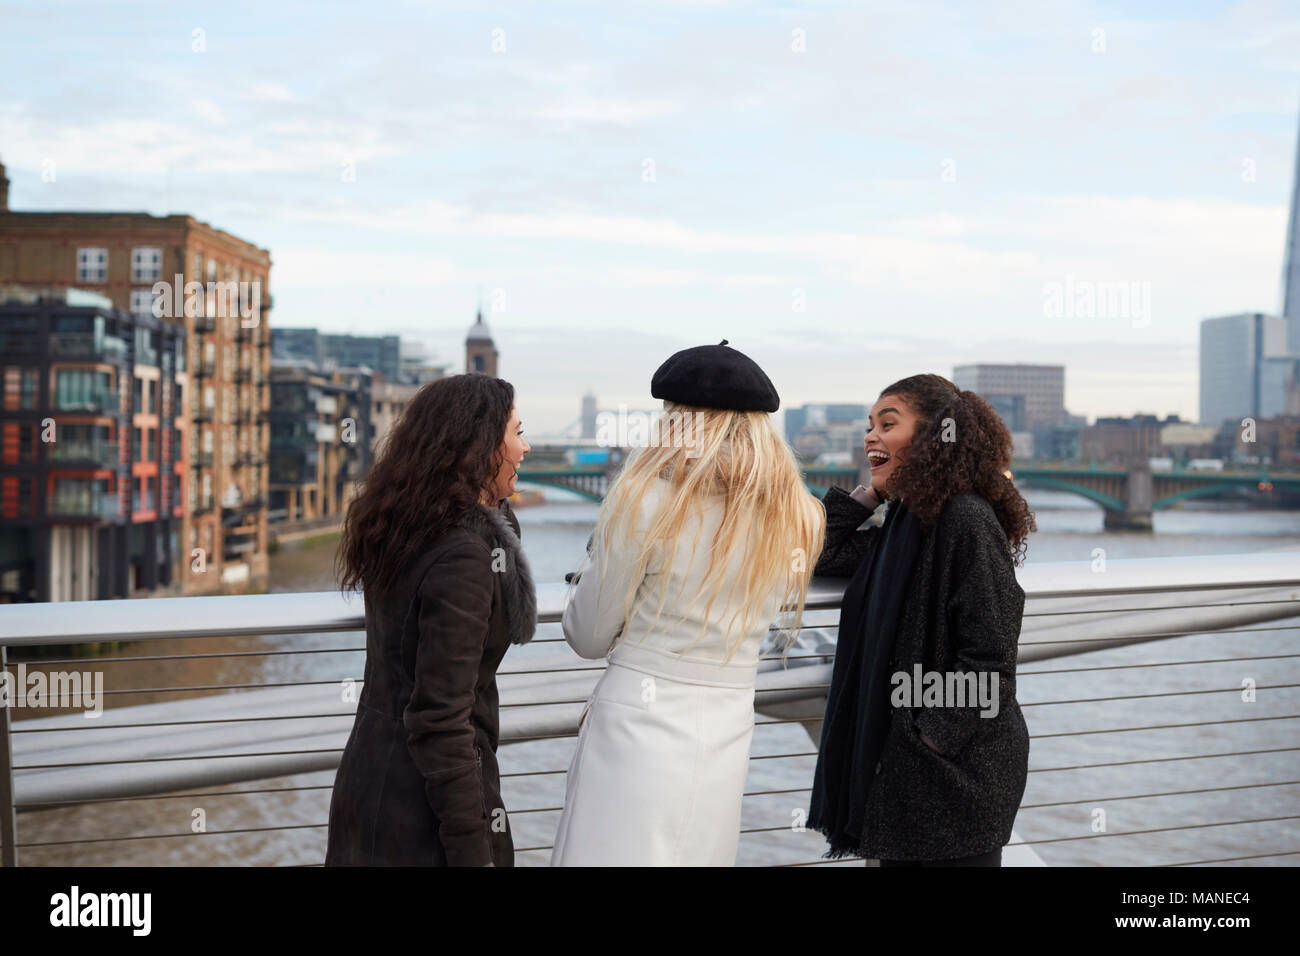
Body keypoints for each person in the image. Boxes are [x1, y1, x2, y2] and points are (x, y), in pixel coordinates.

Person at [551, 340, 826, 865]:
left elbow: (587, 636)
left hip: (636, 726)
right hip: (726, 727)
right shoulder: (799, 516)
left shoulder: (645, 500)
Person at [807, 373, 1035, 866]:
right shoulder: (905, 524)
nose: (870, 435)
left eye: (888, 423)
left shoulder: (966, 520)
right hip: (911, 776)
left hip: (954, 781)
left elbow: (991, 662)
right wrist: (870, 495)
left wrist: (926, 739)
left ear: (935, 437)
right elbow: (821, 556)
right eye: (870, 425)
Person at [325, 374, 536, 867]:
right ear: (480, 445)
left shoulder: (407, 525)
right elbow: (441, 720)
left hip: (369, 782)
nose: (525, 447)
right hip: (424, 813)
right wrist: (473, 849)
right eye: (517, 432)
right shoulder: (464, 556)